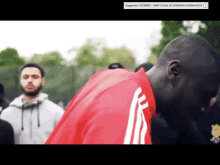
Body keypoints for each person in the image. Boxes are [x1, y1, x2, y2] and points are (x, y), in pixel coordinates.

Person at [45, 34, 220, 144]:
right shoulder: (127, 107)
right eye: (204, 95)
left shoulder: (111, 77)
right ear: (174, 72)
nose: (205, 108)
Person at [0, 63, 64, 144]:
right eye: (25, 77)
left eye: (35, 77)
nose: (30, 80)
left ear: (42, 81)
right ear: (20, 80)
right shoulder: (6, 114)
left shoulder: (57, 113)